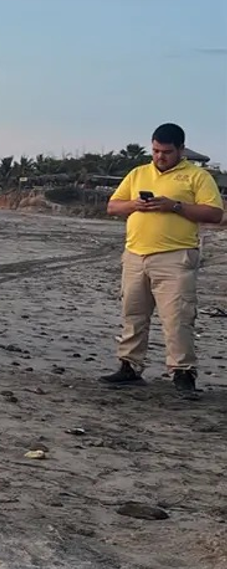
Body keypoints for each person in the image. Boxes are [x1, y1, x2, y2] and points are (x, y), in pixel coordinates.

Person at [100, 123, 224, 394]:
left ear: (181, 149)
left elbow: (215, 214)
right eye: (155, 150)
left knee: (177, 317)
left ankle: (183, 373)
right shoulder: (138, 173)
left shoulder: (196, 177)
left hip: (176, 256)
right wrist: (135, 204)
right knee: (133, 313)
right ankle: (129, 367)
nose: (159, 157)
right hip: (135, 254)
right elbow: (112, 206)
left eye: (166, 152)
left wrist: (175, 206)